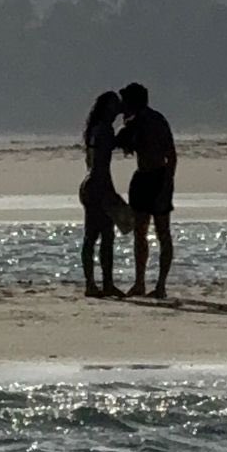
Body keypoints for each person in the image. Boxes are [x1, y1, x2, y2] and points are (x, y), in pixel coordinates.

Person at [116, 83, 177, 299]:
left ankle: (160, 285)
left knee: (162, 232)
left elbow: (171, 154)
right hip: (142, 177)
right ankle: (140, 282)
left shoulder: (155, 120)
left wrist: (168, 183)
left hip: (157, 176)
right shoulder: (132, 124)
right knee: (140, 232)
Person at [78, 90, 130, 299]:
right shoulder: (104, 131)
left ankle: (94, 283)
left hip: (90, 184)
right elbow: (101, 165)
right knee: (103, 236)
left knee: (94, 236)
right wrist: (108, 192)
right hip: (98, 185)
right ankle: (100, 283)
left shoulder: (94, 129)